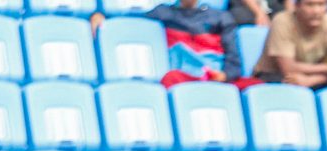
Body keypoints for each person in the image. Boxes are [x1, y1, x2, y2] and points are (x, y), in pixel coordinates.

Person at [93, 0, 260, 88]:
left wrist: (225, 75)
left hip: (218, 78)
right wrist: (102, 16)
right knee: (170, 79)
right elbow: (131, 24)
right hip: (186, 77)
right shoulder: (164, 13)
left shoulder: (221, 17)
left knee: (256, 87)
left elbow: (233, 57)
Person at [253, 0, 327, 87]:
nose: (316, 11)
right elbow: (288, 68)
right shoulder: (282, 21)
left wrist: (311, 80)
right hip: (276, 75)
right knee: (290, 82)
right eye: (309, 5)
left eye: (321, 4)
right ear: (297, 6)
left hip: (315, 76)